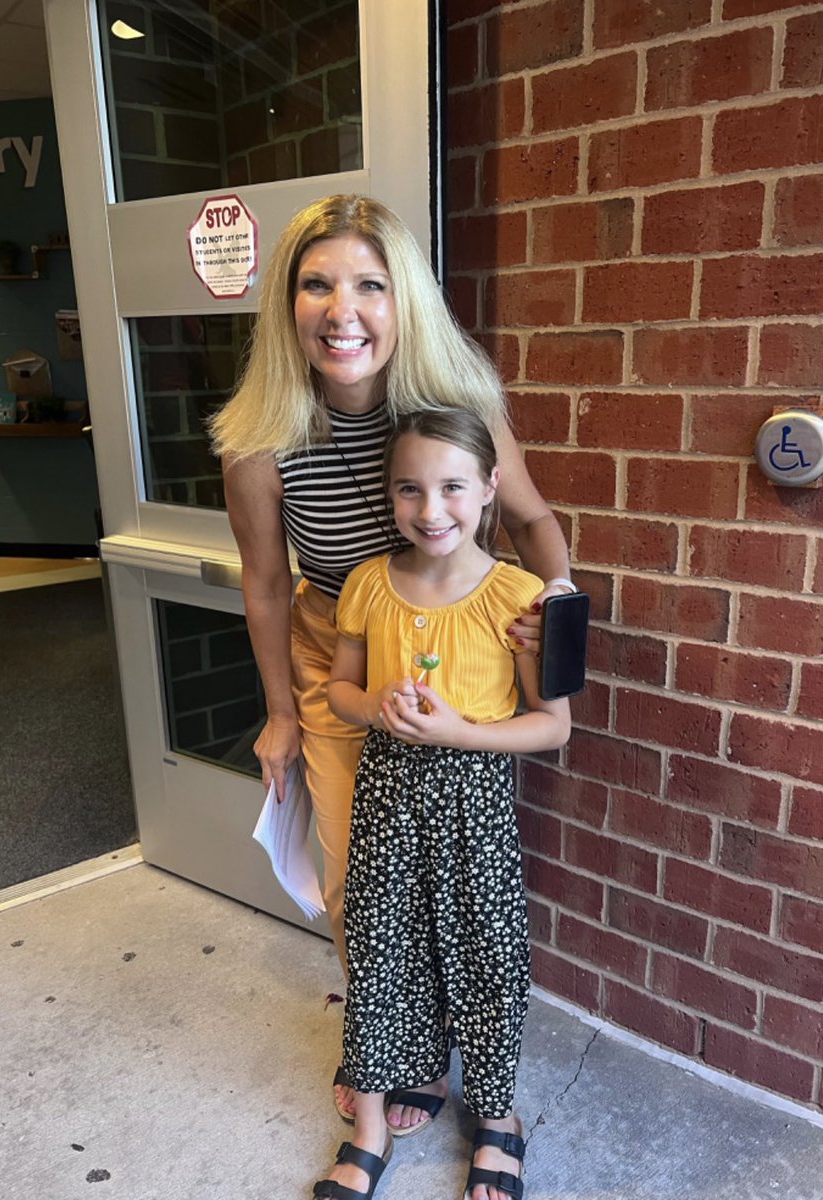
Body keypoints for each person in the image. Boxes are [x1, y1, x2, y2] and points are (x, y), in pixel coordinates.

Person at [210, 194, 577, 1130]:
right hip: (337, 654)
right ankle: (393, 1046)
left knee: (458, 881)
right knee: (358, 880)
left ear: (403, 297)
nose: (344, 311)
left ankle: (457, 1036)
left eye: (370, 285)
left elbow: (531, 520)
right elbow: (265, 586)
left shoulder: (457, 405)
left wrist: (556, 611)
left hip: (460, 656)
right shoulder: (259, 442)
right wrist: (281, 713)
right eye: (317, 285)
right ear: (287, 304)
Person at [316, 409, 571, 1200]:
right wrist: (373, 705)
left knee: (487, 955)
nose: (431, 510)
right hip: (387, 795)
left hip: (474, 803)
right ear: (389, 493)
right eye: (410, 489)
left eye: (453, 487)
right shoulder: (367, 583)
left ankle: (497, 1116)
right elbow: (339, 689)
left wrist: (461, 731)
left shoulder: (518, 596)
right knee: (383, 949)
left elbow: (552, 725)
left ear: (491, 487)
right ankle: (372, 1122)